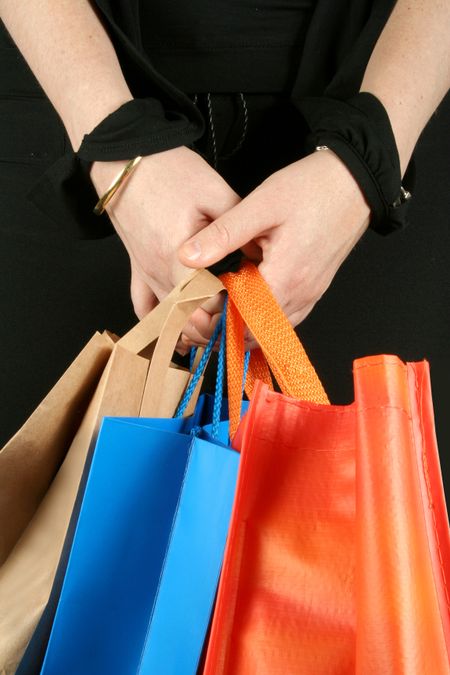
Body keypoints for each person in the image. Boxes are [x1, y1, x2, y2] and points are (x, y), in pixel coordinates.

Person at [0, 1, 449, 484]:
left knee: (371, 519)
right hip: (67, 98)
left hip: (394, 100)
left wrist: (371, 157)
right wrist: (114, 144)